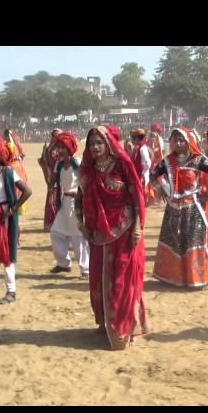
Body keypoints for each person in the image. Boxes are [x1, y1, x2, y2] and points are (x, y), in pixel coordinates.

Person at [76, 125, 148, 350]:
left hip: (125, 232)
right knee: (99, 278)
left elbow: (137, 196)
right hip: (98, 234)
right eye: (91, 144)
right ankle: (106, 322)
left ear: (108, 143)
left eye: (99, 143)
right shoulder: (88, 170)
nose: (95, 147)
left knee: (122, 280)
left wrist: (138, 225)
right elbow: (79, 199)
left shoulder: (123, 164)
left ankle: (126, 326)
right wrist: (81, 224)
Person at [150, 127, 208, 288]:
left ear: (187, 141)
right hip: (173, 209)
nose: (178, 143)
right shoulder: (167, 161)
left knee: (193, 242)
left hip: (192, 209)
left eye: (181, 140)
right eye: (175, 140)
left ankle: (195, 278)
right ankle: (172, 278)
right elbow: (153, 174)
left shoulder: (198, 160)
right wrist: (159, 188)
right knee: (174, 242)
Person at [0, 129, 33, 304]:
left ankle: (11, 291)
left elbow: (27, 191)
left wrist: (12, 210)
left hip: (4, 217)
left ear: (1, 157)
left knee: (7, 252)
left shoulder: (9, 173)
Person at [49, 131, 89, 279]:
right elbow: (52, 183)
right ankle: (63, 263)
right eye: (58, 147)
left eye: (63, 147)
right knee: (56, 232)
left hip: (77, 202)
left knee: (78, 236)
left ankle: (85, 269)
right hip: (64, 201)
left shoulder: (77, 163)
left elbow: (86, 181)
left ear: (69, 148)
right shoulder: (58, 165)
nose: (59, 150)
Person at [38, 129, 62, 232]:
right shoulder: (56, 149)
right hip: (56, 177)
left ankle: (51, 223)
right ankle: (56, 223)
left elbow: (43, 161)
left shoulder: (49, 148)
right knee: (55, 200)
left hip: (52, 177)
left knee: (52, 200)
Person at [3, 128, 29, 215]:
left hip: (12, 167)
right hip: (19, 167)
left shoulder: (8, 145)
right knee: (21, 187)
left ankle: (14, 206)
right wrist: (18, 158)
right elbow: (23, 155)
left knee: (14, 187)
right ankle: (21, 208)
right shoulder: (16, 143)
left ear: (7, 136)